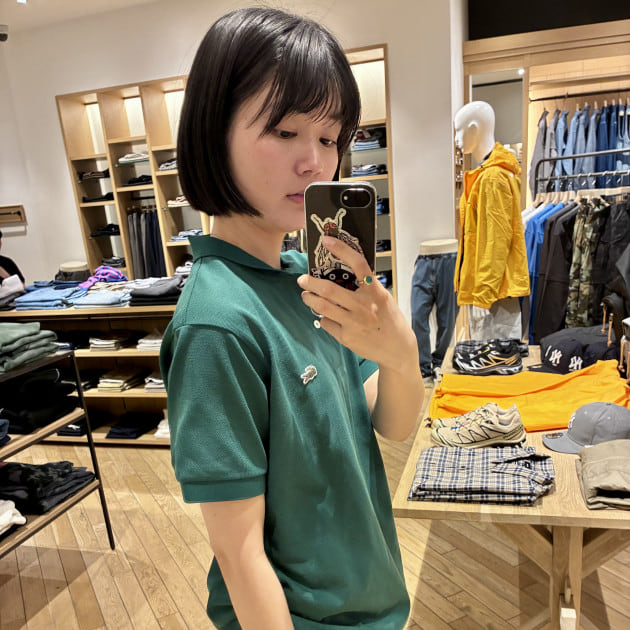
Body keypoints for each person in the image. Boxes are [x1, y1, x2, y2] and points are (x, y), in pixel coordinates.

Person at [160, 8, 423, 630]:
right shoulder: (217, 323)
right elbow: (238, 551)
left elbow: (394, 424)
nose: (315, 162)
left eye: (330, 138)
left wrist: (401, 354)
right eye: (285, 131)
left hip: (372, 600)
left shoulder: (311, 277)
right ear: (214, 131)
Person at [453, 101, 529, 340]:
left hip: (495, 298)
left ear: (474, 129)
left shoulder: (493, 177)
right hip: (493, 292)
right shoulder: (489, 174)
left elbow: (496, 241)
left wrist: (483, 294)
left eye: (458, 131)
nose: (456, 139)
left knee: (494, 358)